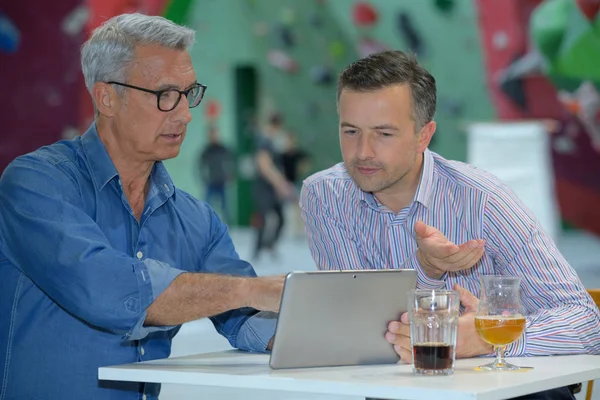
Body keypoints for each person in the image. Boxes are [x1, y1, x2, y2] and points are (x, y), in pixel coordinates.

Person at [0, 14, 282, 400]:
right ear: (107, 97)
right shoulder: (37, 184)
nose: (184, 114)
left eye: (188, 93)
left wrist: (326, 331)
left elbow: (248, 321)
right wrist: (253, 290)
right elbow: (107, 291)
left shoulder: (196, 220)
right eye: (165, 95)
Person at [300, 50, 600, 400]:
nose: (362, 151)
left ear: (423, 136)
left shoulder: (484, 199)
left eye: (383, 134)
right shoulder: (324, 196)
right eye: (350, 131)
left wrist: (488, 336)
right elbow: (363, 327)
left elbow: (587, 323)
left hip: (509, 392)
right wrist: (428, 272)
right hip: (402, 391)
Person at [252, 112, 294, 260]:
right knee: (263, 217)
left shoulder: (274, 142)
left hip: (273, 187)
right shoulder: (264, 141)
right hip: (263, 186)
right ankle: (257, 249)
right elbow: (265, 166)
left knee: (281, 218)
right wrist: (280, 183)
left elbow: (277, 166)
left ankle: (269, 244)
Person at [199, 124, 233, 223]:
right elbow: (201, 166)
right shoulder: (207, 150)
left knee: (225, 207)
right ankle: (207, 225)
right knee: (207, 206)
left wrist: (230, 175)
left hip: (222, 181)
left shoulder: (224, 149)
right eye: (212, 134)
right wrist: (203, 178)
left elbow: (230, 163)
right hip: (211, 182)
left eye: (215, 134)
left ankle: (228, 227)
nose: (214, 136)